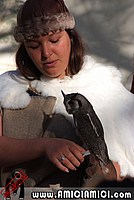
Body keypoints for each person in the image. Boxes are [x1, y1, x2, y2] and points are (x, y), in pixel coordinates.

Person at [0, 0, 134, 188]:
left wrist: (110, 170)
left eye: (54, 40)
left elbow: (127, 157)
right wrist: (45, 146)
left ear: (71, 37)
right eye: (33, 45)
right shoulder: (8, 87)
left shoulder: (103, 84)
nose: (46, 53)